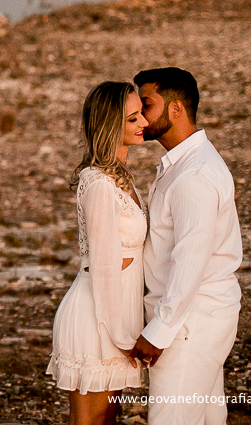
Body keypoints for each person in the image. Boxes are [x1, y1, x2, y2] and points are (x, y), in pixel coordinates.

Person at [128, 68, 242, 425]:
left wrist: (159, 331)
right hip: (198, 317)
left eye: (147, 104)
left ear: (175, 110)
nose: (140, 115)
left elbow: (190, 260)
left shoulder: (194, 174)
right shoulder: (184, 164)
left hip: (190, 324)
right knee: (208, 419)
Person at [47, 81, 149, 425]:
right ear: (110, 125)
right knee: (89, 422)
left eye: (142, 115)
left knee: (107, 419)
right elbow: (104, 267)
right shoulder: (98, 183)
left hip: (118, 318)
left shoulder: (120, 178)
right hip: (97, 322)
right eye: (133, 119)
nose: (144, 124)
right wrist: (121, 335)